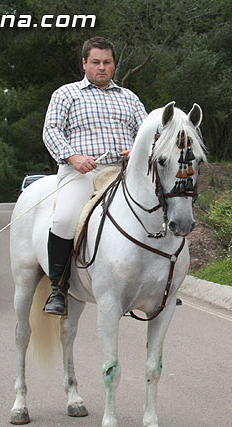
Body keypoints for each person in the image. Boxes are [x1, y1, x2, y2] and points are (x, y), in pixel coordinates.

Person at [42, 36, 148, 315]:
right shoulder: (66, 94)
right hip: (82, 172)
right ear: (84, 64)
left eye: (107, 62)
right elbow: (51, 130)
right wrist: (73, 157)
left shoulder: (130, 98)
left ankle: (156, 284)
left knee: (156, 210)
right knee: (65, 218)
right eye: (96, 62)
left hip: (122, 172)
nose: (102, 67)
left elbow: (148, 134)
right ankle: (58, 289)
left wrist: (136, 150)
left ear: (114, 65)